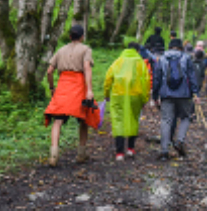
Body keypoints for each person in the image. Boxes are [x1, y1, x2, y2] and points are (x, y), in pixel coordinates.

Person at [44, 24, 98, 167]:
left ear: (69, 36)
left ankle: (53, 154)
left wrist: (52, 88)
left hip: (62, 86)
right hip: (78, 87)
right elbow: (87, 68)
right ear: (82, 37)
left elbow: (49, 71)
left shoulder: (60, 50)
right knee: (83, 120)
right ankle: (81, 153)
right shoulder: (86, 49)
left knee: (57, 121)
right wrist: (89, 90)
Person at [152, 38, 199, 160]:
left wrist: (155, 96)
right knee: (186, 117)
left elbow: (157, 78)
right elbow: (192, 76)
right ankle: (179, 141)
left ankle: (164, 151)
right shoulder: (187, 58)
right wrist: (195, 93)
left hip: (166, 95)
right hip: (184, 94)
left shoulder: (162, 58)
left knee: (166, 120)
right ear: (180, 48)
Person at [104, 42, 150, 161]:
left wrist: (107, 94)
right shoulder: (141, 63)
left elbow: (108, 78)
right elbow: (146, 81)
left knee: (119, 120)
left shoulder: (118, 61)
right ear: (138, 51)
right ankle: (130, 148)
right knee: (133, 119)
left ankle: (119, 152)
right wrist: (145, 98)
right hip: (136, 95)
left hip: (118, 94)